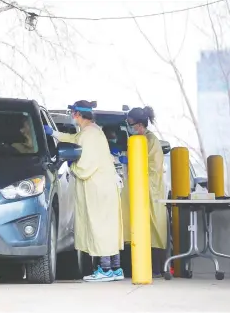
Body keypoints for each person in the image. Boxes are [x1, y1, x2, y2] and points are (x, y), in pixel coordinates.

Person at [44, 100, 124, 282]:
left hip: (97, 189)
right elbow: (74, 140)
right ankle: (115, 267)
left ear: (78, 114)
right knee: (108, 227)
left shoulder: (90, 135)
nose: (73, 117)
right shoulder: (91, 132)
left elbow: (86, 165)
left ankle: (105, 269)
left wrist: (72, 166)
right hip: (104, 188)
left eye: (73, 114)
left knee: (99, 227)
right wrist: (54, 133)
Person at [120, 106, 167, 278]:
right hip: (140, 190)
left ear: (139, 125)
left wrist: (129, 158)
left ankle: (156, 268)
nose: (130, 128)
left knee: (152, 227)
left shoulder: (149, 140)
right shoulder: (139, 140)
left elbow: (149, 165)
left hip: (150, 190)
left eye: (131, 125)